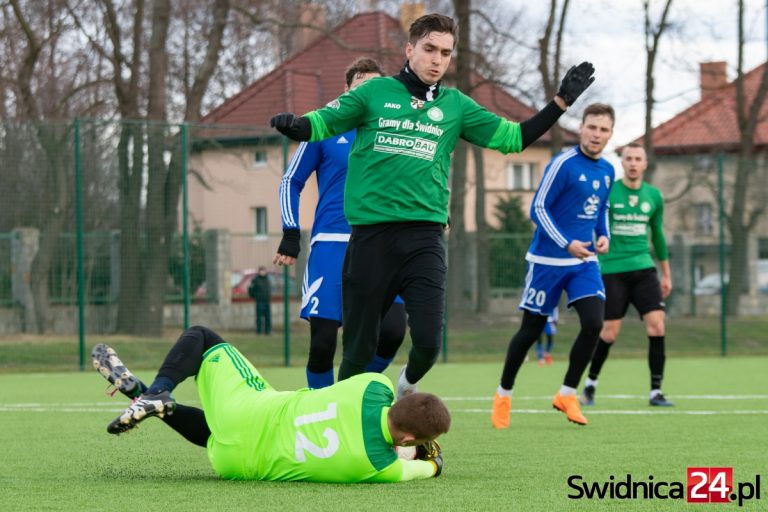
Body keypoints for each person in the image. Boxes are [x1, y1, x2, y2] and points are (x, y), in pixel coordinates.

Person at [270, 13, 596, 398]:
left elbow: (514, 138)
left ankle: (403, 387)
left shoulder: (456, 106)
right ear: (410, 50)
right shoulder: (373, 94)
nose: (437, 59)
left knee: (427, 344)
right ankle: (341, 422)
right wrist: (296, 126)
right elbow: (322, 123)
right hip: (370, 239)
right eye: (429, 49)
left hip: (424, 240)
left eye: (445, 52)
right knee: (355, 351)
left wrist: (560, 103)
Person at [90, 327, 450, 483]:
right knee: (222, 435)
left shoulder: (375, 386)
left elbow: (393, 411)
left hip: (246, 411)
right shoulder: (379, 469)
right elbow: (428, 467)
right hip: (234, 464)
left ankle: (156, 392)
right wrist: (427, 459)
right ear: (405, 441)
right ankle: (155, 400)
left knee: (202, 337)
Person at [273, 57, 407, 389]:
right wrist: (291, 233)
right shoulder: (325, 127)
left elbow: (412, 179)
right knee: (322, 344)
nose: (368, 90)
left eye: (375, 85)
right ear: (347, 90)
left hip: (382, 245)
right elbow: (290, 181)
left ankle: (352, 393)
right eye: (360, 83)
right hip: (331, 245)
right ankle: (321, 412)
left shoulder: (395, 131)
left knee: (391, 332)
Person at [490, 103, 616, 428]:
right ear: (582, 128)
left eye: (603, 129)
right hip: (547, 262)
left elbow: (600, 209)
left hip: (584, 262)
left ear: (610, 134)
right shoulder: (563, 164)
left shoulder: (607, 170)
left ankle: (567, 394)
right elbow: (538, 209)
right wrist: (566, 243)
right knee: (530, 331)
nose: (596, 134)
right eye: (592, 127)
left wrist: (604, 236)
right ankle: (503, 395)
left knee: (593, 323)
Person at [580, 143, 674, 407]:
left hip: (644, 268)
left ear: (645, 164)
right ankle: (590, 386)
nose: (633, 163)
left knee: (657, 325)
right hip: (612, 270)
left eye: (638, 159)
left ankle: (656, 391)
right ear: (622, 163)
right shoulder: (609, 192)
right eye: (628, 158)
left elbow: (658, 235)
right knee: (609, 332)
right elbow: (595, 224)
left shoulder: (654, 196)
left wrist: (666, 274)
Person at [247, 266, 272, 335]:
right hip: (259, 301)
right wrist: (254, 296)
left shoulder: (267, 279)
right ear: (259, 271)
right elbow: (250, 289)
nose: (263, 272)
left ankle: (268, 331)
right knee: (259, 317)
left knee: (268, 317)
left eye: (264, 271)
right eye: (261, 271)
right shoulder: (255, 280)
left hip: (267, 300)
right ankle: (259, 331)